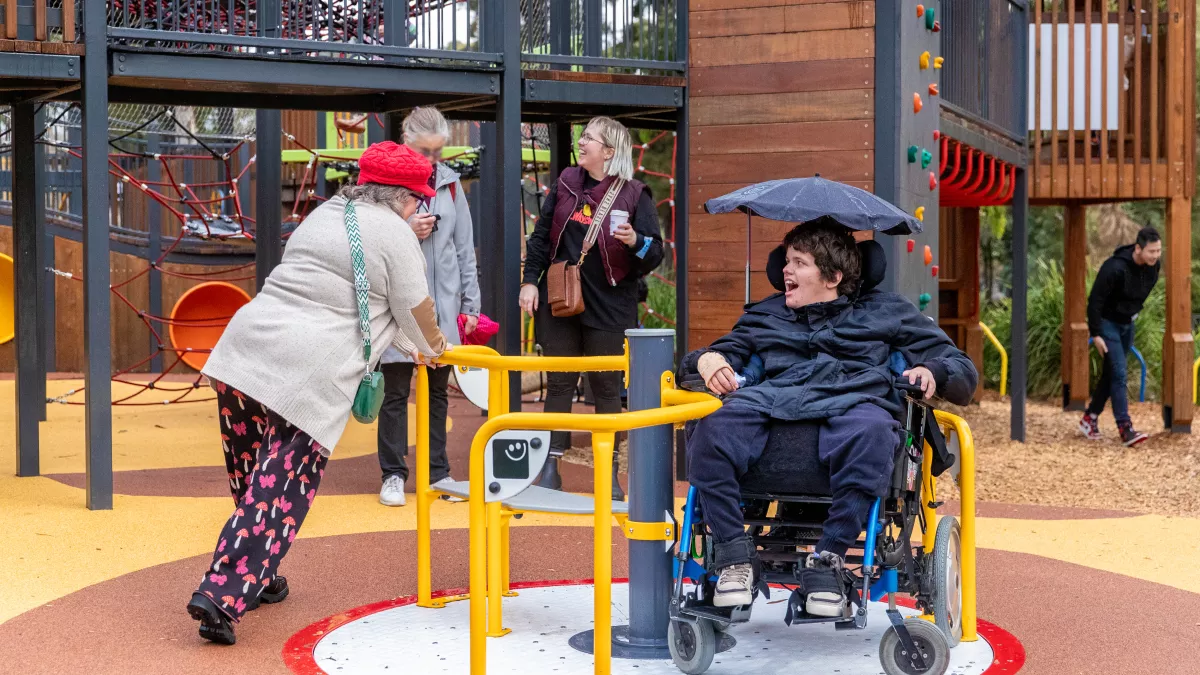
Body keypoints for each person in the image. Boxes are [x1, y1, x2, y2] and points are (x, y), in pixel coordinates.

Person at [186, 142, 449, 645]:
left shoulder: (325, 211)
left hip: (245, 352)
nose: (420, 208)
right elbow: (416, 309)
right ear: (401, 196)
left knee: (252, 479)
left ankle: (259, 575)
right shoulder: (396, 233)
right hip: (308, 371)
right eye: (418, 199)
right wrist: (437, 350)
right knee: (279, 492)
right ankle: (222, 593)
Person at [680, 221, 977, 613]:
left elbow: (962, 370)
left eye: (799, 263)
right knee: (710, 426)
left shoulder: (888, 312)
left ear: (833, 276)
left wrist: (933, 372)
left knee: (873, 430)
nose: (785, 271)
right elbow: (706, 359)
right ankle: (734, 556)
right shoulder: (765, 315)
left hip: (852, 402)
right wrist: (708, 361)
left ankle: (828, 560)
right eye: (786, 261)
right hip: (773, 408)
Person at [519, 116, 665, 498]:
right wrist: (529, 282)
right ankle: (550, 468)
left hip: (612, 304)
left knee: (605, 387)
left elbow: (656, 254)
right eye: (582, 137)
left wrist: (636, 240)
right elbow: (539, 238)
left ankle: (608, 474)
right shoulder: (566, 182)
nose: (582, 143)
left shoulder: (635, 194)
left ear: (610, 152)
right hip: (562, 300)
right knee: (560, 384)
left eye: (590, 138)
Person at [377, 107, 482, 507]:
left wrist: (470, 304)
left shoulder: (452, 186)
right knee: (395, 390)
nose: (432, 160)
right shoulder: (386, 185)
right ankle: (392, 474)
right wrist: (406, 230)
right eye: (425, 150)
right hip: (398, 307)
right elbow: (372, 242)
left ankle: (439, 473)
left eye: (439, 151)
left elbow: (463, 250)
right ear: (407, 142)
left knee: (438, 392)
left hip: (441, 307)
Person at [1079, 226, 1162, 446]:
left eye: (1158, 251)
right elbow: (1094, 301)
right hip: (1108, 325)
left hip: (1127, 324)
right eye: (1151, 251)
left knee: (1111, 372)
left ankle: (1090, 418)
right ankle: (1125, 429)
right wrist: (1096, 333)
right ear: (1138, 248)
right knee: (1119, 372)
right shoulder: (1114, 268)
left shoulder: (1153, 268)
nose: (1155, 256)